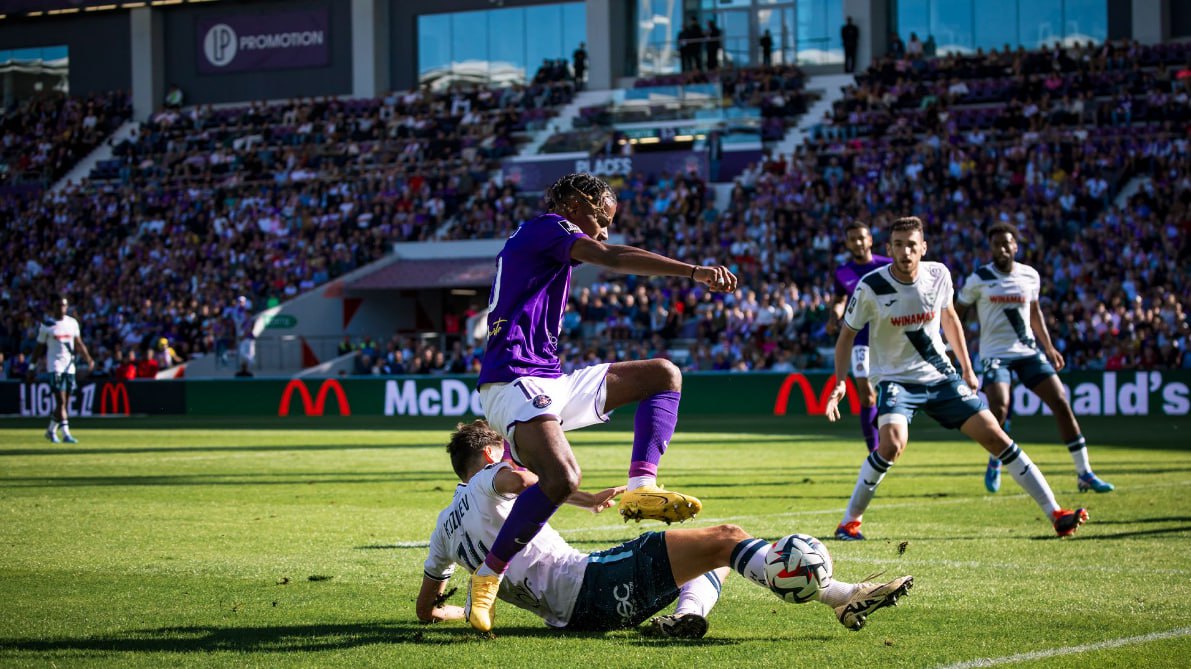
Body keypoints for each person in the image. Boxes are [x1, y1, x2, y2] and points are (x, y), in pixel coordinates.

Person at [467, 172, 738, 632]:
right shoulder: (548, 227)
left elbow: (604, 248)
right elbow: (611, 256)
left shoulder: (548, 238)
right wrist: (693, 271)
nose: (604, 230)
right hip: (511, 381)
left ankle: (641, 486)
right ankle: (490, 572)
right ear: (575, 202)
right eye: (602, 218)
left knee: (663, 375)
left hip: (548, 378)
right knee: (562, 477)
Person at [417, 420, 914, 636]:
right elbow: (528, 477)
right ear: (488, 455)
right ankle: (841, 594)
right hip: (586, 584)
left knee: (709, 554)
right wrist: (580, 493)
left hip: (572, 614)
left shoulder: (443, 527)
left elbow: (425, 609)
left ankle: (687, 615)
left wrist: (456, 612)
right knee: (726, 536)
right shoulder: (491, 475)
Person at [823, 217, 1088, 541]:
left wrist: (966, 367)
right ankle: (849, 523)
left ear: (923, 248)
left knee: (996, 436)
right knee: (892, 445)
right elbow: (846, 335)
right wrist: (840, 381)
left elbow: (950, 318)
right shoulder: (871, 287)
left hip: (941, 377)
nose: (905, 251)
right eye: (898, 245)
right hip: (896, 381)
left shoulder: (939, 275)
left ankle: (1056, 514)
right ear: (889, 249)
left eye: (911, 245)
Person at [956, 223, 1114, 494]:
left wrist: (1049, 347)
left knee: (1061, 402)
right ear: (991, 249)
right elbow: (956, 312)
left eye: (1007, 243)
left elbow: (1035, 312)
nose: (1003, 249)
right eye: (997, 245)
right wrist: (953, 346)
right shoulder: (978, 279)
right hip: (995, 355)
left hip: (1028, 352)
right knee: (1000, 407)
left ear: (1016, 246)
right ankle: (995, 459)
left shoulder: (1029, 275)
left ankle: (1084, 473)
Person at [826, 221, 891, 453]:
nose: (858, 242)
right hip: (861, 339)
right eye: (853, 239)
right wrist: (834, 317)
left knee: (891, 397)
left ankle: (888, 433)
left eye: (861, 238)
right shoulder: (843, 272)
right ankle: (873, 453)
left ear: (870, 240)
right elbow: (840, 300)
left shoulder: (888, 266)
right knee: (866, 396)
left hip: (890, 339)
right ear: (847, 243)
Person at [33, 294, 93, 444]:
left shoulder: (72, 323)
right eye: (59, 305)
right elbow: (39, 348)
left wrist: (88, 359)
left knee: (64, 403)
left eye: (64, 305)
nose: (62, 308)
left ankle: (50, 430)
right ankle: (66, 433)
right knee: (60, 401)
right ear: (53, 307)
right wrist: (31, 366)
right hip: (55, 366)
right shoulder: (47, 325)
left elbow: (78, 343)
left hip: (69, 367)